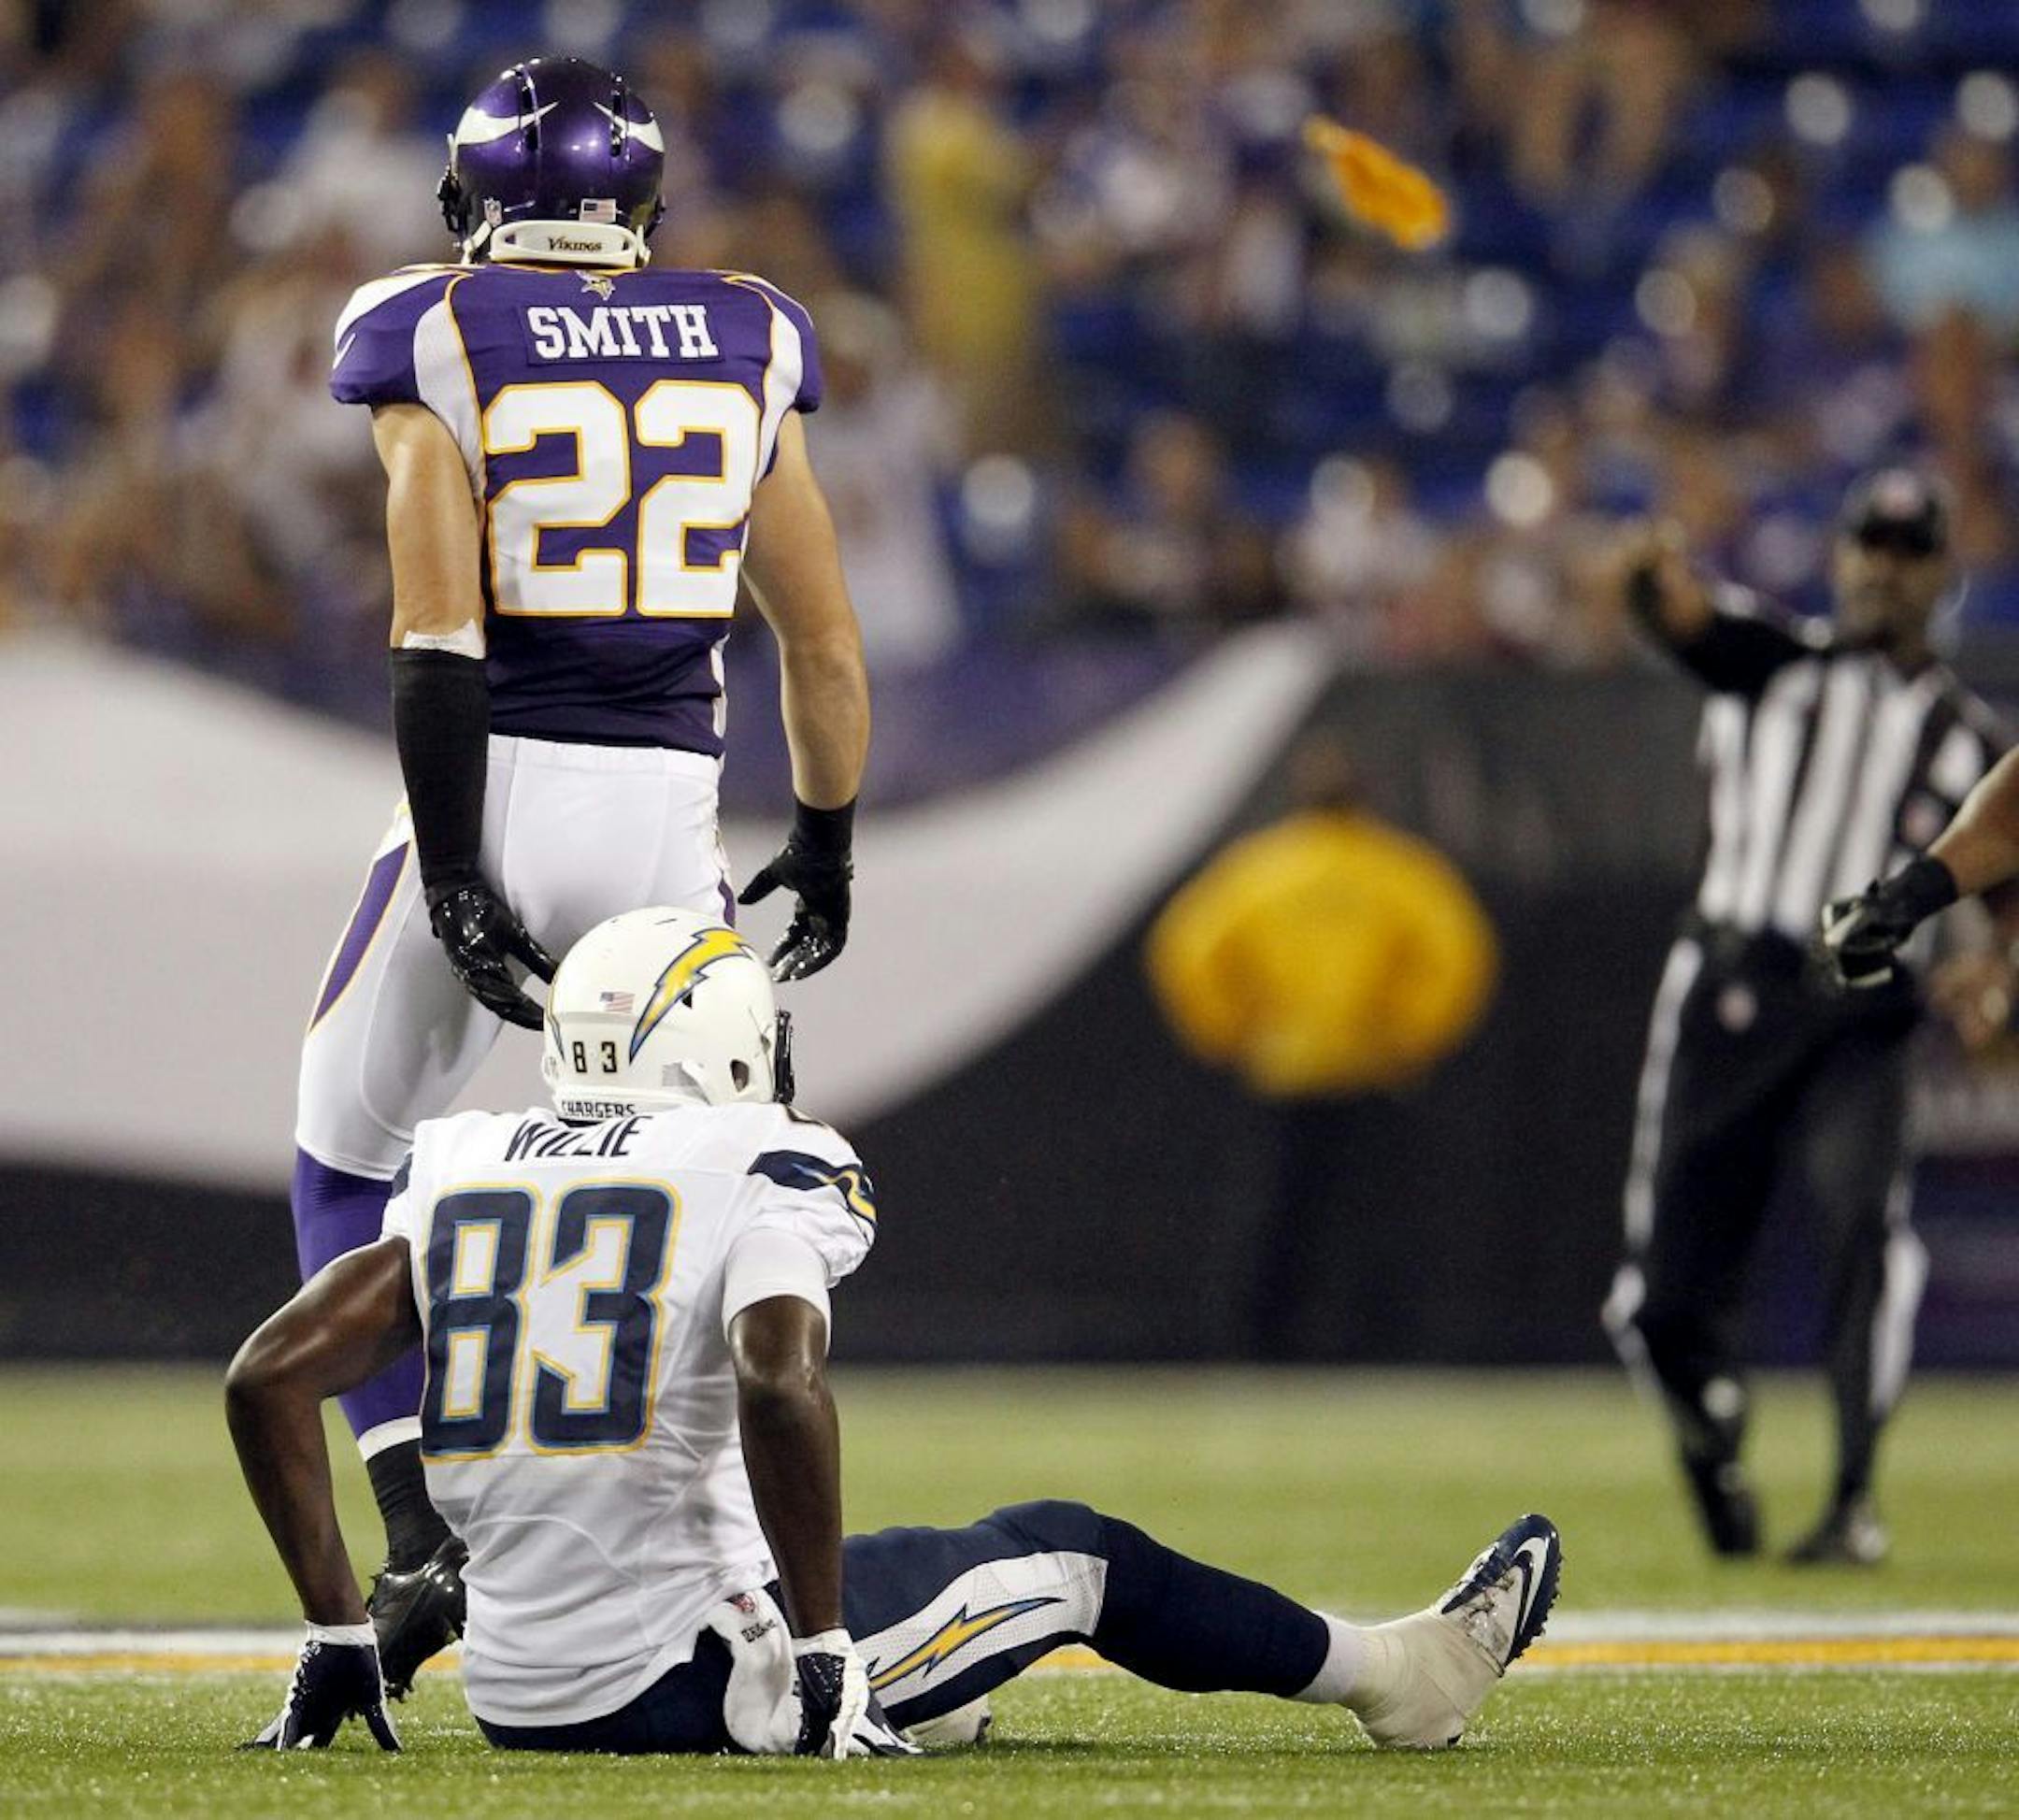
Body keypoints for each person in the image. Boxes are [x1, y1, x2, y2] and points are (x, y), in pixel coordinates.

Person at [228, 909, 1564, 1758]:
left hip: (518, 1692)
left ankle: (922, 1684)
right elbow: (774, 1372)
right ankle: (1404, 1676)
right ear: (723, 1042)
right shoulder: (752, 1151)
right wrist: (816, 1653)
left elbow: (271, 1373)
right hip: (697, 1677)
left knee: (902, 1581)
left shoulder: (468, 1157)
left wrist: (344, 1627)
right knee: (1074, 1547)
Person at [293, 57, 871, 1692]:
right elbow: (816, 639)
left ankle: (420, 1529)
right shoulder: (751, 326)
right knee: (732, 1209)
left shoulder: (433, 322)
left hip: (498, 775)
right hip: (673, 828)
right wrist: (823, 841)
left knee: (344, 1155)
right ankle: (752, 1580)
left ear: (475, 199)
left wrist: (461, 867)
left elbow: (436, 626)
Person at [1603, 468, 2011, 1566]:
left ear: (1940, 570)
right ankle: (1711, 1438)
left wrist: (1986, 973)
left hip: (1861, 1016)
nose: (1884, 563)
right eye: (1868, 542)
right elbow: (1677, 614)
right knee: (1658, 1303)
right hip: (1732, 990)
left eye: (1908, 545)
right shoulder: (1772, 662)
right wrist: (1648, 573)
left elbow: (1995, 891)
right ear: (1840, 558)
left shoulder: (1968, 738)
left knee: (1861, 1246)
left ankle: (1852, 1500)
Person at [1145, 733, 1496, 1355]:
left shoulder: (1262, 869)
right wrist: (1408, 1032)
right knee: (1377, 1218)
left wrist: (1231, 1028)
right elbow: (1459, 952)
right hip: (1372, 1068)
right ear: (1365, 798)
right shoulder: (1396, 869)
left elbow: (1186, 948)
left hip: (1286, 1065)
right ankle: (1383, 1342)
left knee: (1278, 1215)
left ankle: (1260, 1343)